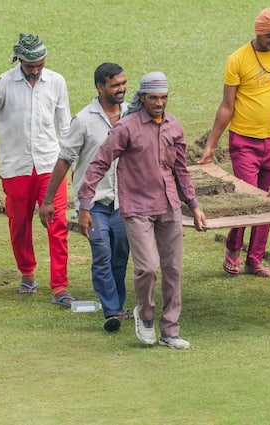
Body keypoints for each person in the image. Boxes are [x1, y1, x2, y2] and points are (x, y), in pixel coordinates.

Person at [77, 72, 206, 350]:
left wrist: (193, 205)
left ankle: (170, 330)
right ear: (142, 97)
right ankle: (145, 315)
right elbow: (99, 163)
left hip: (169, 206)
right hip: (136, 208)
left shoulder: (174, 126)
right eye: (154, 98)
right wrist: (84, 203)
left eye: (164, 98)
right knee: (147, 267)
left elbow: (181, 170)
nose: (160, 103)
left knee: (173, 270)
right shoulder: (127, 127)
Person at [0, 33, 74, 306]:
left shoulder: (57, 82)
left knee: (57, 224)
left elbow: (65, 126)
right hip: (16, 168)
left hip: (51, 165)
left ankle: (60, 286)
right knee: (19, 223)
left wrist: (73, 160)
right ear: (19, 60)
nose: (35, 71)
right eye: (29, 65)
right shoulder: (3, 84)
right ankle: (27, 273)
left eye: (39, 65)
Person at [198, 7, 270, 278]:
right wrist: (211, 144)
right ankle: (233, 250)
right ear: (259, 32)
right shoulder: (237, 59)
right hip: (244, 141)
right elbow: (226, 106)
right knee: (247, 199)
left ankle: (255, 259)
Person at [39, 63, 131, 332]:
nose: (122, 89)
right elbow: (64, 160)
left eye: (123, 83)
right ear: (100, 87)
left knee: (120, 256)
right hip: (93, 205)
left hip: (124, 202)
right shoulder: (83, 121)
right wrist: (47, 201)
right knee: (101, 252)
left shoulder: (132, 116)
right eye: (115, 85)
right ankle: (112, 310)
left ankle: (117, 304)